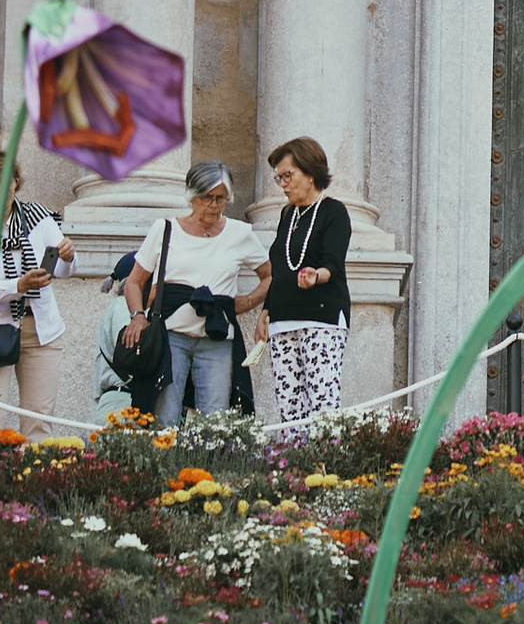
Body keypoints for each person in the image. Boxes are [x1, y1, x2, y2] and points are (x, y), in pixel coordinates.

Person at [127, 163, 267, 421]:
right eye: (207, 197)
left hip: (216, 340)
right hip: (170, 337)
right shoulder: (165, 229)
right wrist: (138, 316)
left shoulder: (240, 233)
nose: (214, 205)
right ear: (192, 196)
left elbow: (270, 275)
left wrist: (246, 302)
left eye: (220, 198)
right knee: (165, 418)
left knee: (215, 420)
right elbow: (134, 282)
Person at [0, 141, 75, 429]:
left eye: (10, 180)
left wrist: (69, 258)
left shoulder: (39, 217)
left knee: (39, 420)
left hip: (41, 329)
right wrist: (18, 285)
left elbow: (61, 270)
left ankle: (33, 474)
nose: (6, 188)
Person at [257, 134, 354, 433]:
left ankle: (325, 473)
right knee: (290, 408)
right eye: (279, 178)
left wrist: (316, 276)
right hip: (282, 320)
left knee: (322, 405)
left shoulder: (333, 211)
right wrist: (265, 310)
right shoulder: (288, 214)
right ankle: (295, 474)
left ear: (311, 174)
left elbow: (333, 264)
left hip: (321, 318)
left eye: (288, 175)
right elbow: (281, 268)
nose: (283, 184)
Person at [92, 248, 139, 416]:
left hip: (121, 401)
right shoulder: (123, 306)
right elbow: (131, 352)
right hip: (122, 402)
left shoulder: (122, 307)